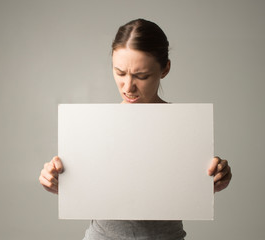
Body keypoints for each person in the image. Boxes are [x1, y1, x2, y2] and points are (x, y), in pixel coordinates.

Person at [39, 18, 232, 240]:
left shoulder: (185, 129)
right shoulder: (95, 128)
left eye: (141, 76)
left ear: (165, 69)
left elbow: (190, 189)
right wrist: (57, 181)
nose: (128, 87)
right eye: (120, 73)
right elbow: (82, 189)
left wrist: (213, 178)